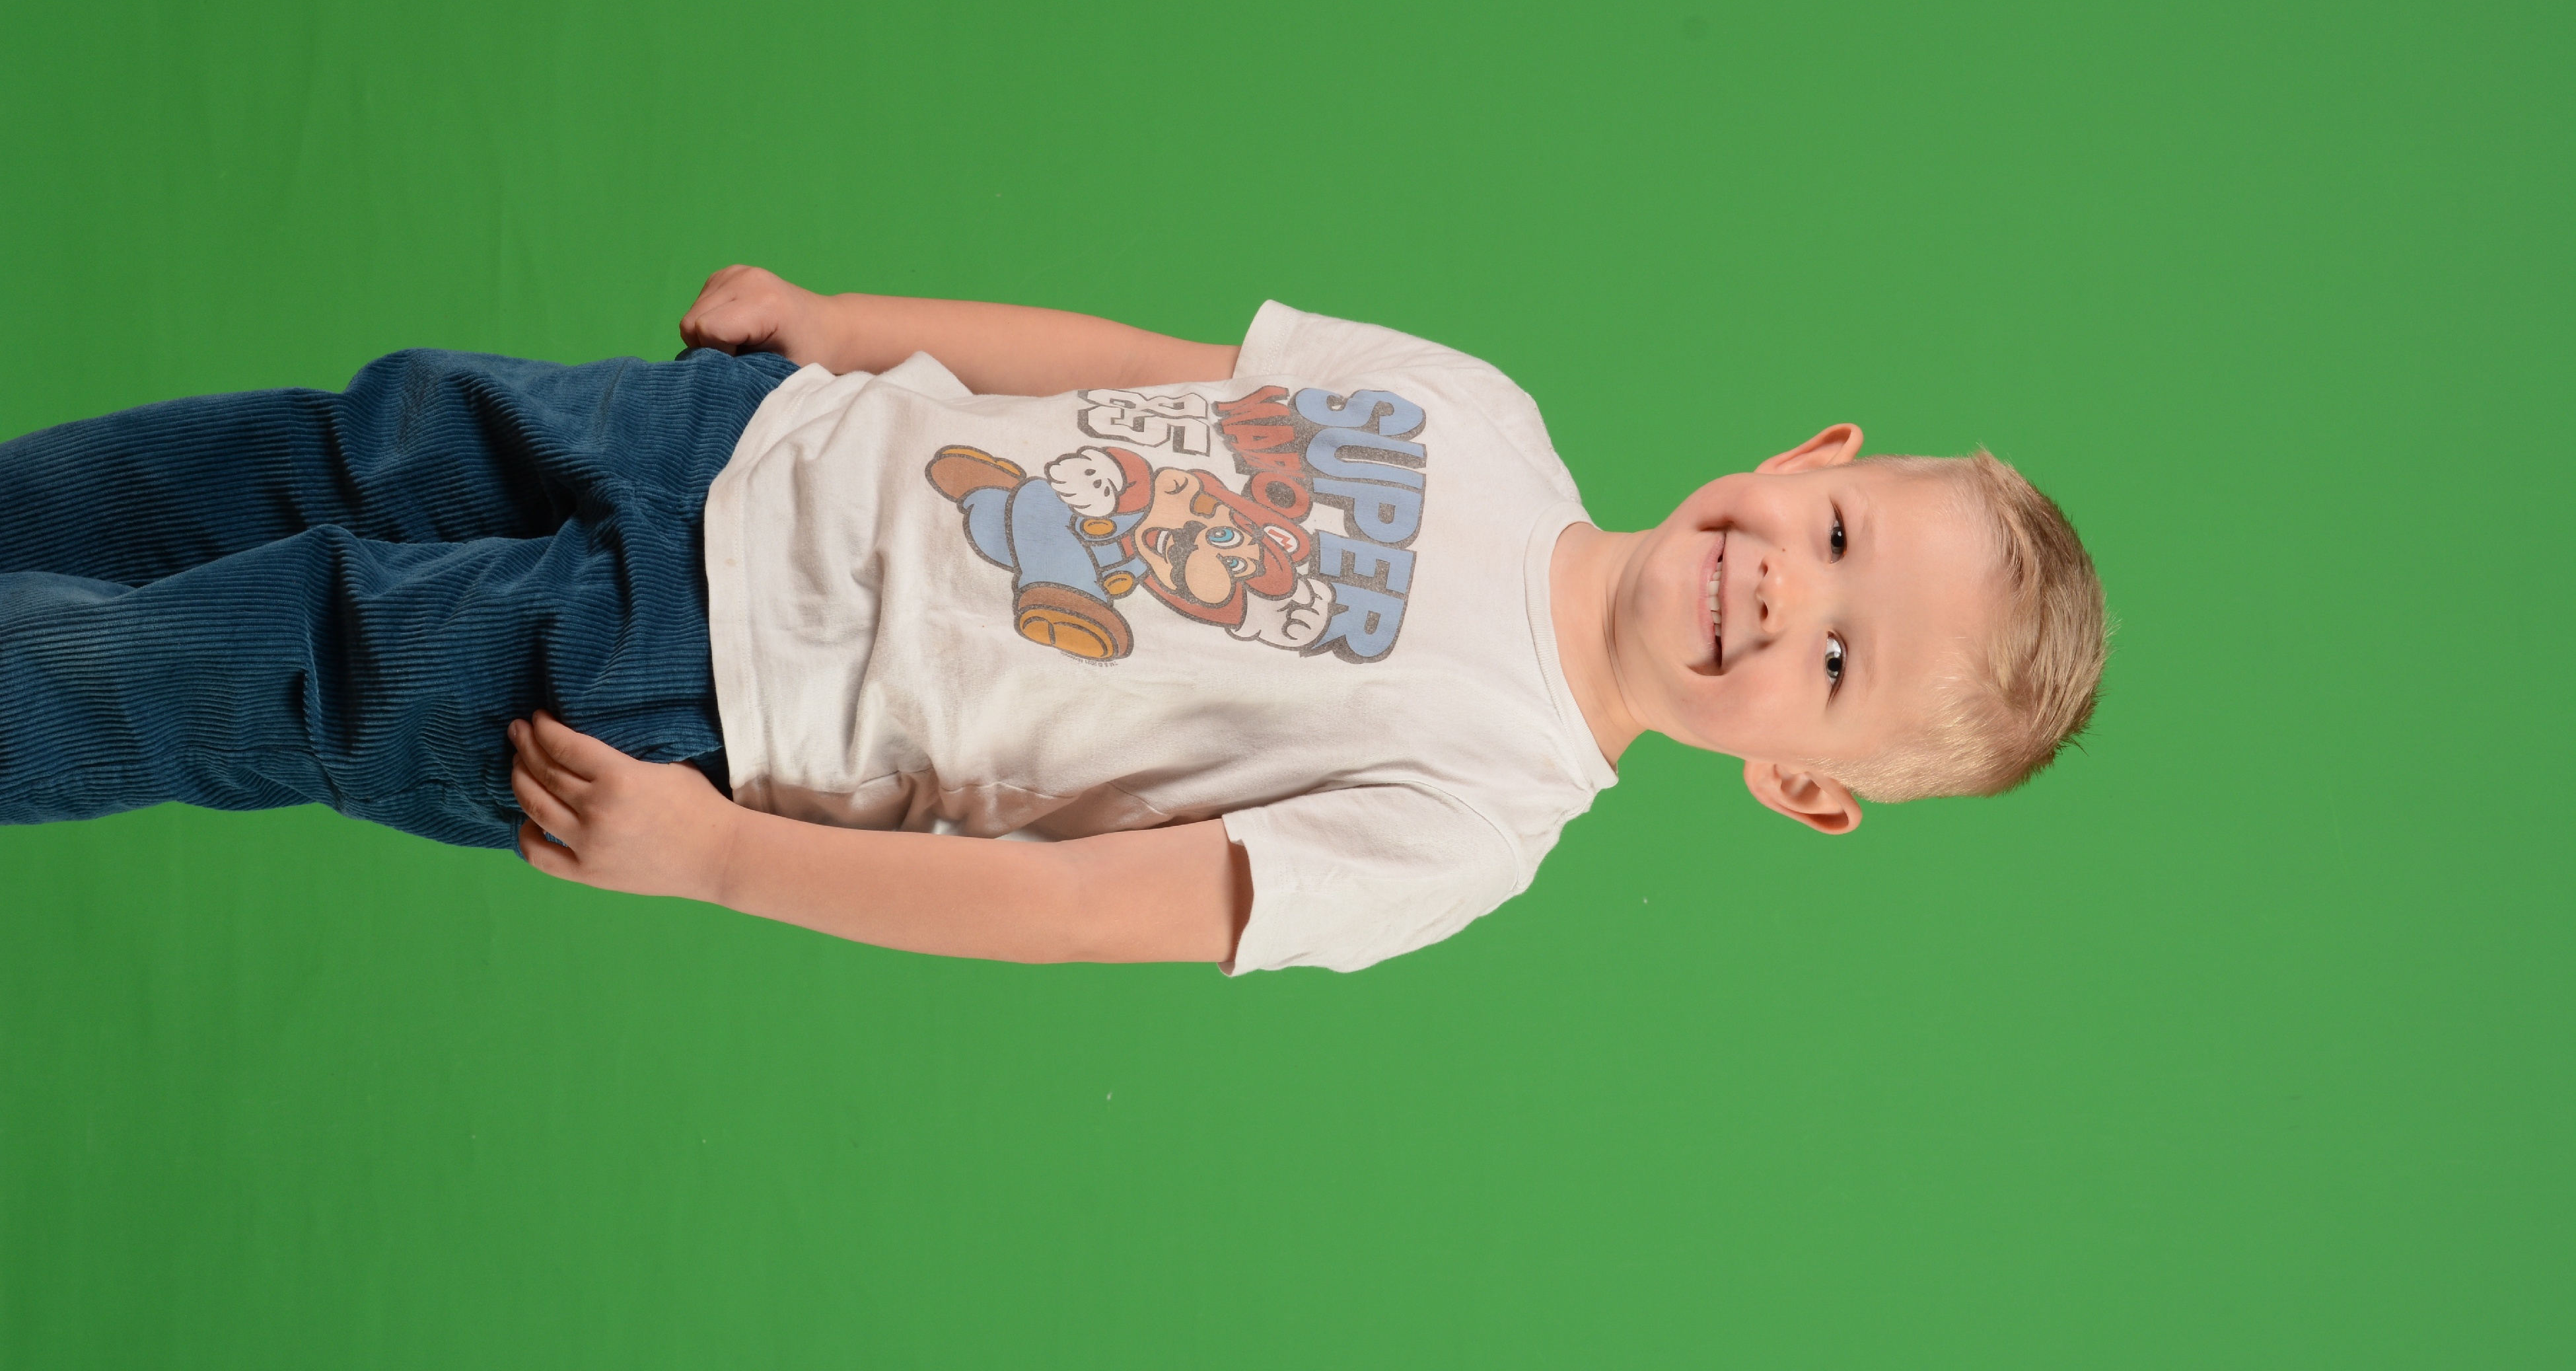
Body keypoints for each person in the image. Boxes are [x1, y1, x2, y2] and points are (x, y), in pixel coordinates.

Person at [0, 267, 2107, 973]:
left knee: (249, 657)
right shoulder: (1482, 414)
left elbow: (1077, 904)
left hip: (713, 693)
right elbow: (1131, 366)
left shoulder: (1471, 822)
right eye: (1840, 536)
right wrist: (845, 322)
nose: (1785, 590)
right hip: (742, 443)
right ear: (1811, 452)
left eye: (1839, 663)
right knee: (335, 452)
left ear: (1799, 784)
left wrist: (721, 857)